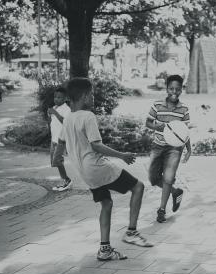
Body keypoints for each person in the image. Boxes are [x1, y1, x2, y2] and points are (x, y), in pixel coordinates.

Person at [54, 77, 152, 261]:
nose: (93, 98)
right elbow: (96, 146)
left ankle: (105, 250)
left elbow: (60, 142)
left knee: (106, 204)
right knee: (138, 187)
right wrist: (122, 155)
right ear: (83, 97)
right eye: (91, 94)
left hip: (85, 173)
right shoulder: (88, 116)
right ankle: (131, 232)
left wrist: (56, 156)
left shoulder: (67, 119)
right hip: (98, 167)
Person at [146, 74, 192, 223]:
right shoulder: (157, 105)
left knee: (168, 178)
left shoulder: (183, 109)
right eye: (171, 88)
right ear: (167, 89)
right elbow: (148, 122)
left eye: (177, 89)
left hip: (174, 149)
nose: (174, 91)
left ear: (181, 90)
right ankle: (175, 191)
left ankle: (161, 210)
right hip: (157, 146)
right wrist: (155, 125)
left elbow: (184, 132)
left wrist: (189, 149)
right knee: (153, 178)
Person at [48, 86, 72, 192]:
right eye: (55, 97)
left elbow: (65, 122)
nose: (56, 99)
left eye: (59, 97)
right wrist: (50, 114)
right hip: (54, 139)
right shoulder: (55, 107)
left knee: (57, 160)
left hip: (61, 140)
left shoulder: (67, 109)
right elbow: (52, 123)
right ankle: (64, 180)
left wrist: (54, 113)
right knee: (55, 162)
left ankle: (67, 181)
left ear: (65, 98)